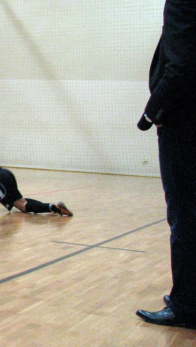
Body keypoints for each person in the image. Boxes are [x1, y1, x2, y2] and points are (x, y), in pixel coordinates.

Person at [135, 0, 196, 330]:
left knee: (185, 213)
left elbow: (180, 64)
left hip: (184, 121)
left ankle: (187, 304)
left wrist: (150, 115)